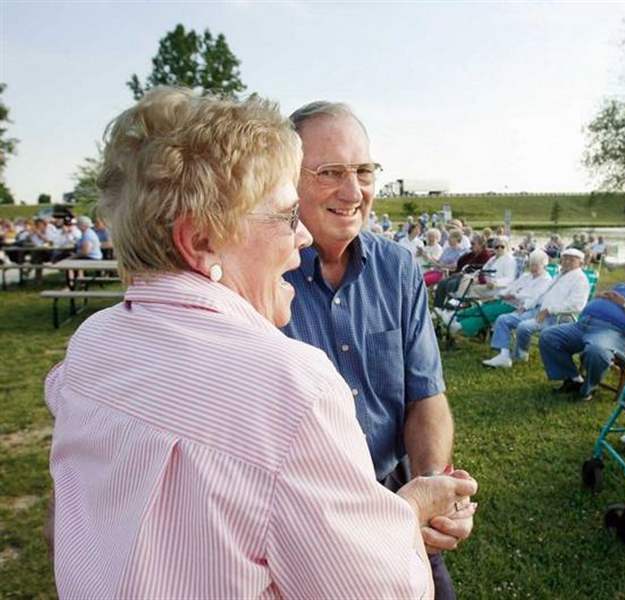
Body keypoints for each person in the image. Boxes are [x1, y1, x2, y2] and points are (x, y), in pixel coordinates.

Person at [44, 88, 476, 598]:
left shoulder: (93, 343)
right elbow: (377, 588)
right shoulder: (291, 383)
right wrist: (411, 510)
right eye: (284, 215)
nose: (301, 238)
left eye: (363, 170)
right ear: (202, 240)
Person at [283, 101, 472, 598]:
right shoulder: (262, 277)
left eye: (364, 170)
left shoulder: (398, 269)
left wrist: (432, 487)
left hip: (397, 490)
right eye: (330, 172)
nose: (353, 192)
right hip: (305, 519)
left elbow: (425, 396)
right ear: (285, 181)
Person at [539, 250, 625, 401]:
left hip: (612, 332)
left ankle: (586, 390)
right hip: (583, 325)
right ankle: (573, 379)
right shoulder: (620, 286)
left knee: (596, 350)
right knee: (548, 336)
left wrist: (624, 303)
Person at [483, 247, 590, 368]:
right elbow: (541, 294)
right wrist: (526, 306)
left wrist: (548, 310)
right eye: (564, 259)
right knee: (503, 319)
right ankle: (504, 356)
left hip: (558, 318)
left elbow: (577, 305)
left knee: (524, 326)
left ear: (581, 263)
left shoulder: (580, 280)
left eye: (571, 260)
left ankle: (521, 354)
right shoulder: (560, 275)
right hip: (538, 310)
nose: (566, 262)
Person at [444, 248, 552, 340]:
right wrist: (503, 294)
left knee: (486, 312)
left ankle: (458, 325)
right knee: (482, 307)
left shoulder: (545, 280)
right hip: (507, 300)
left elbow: (533, 296)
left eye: (536, 265)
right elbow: (512, 286)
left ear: (543, 265)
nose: (533, 268)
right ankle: (455, 318)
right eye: (531, 265)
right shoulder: (526, 276)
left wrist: (514, 295)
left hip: (518, 306)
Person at [433, 233, 493, 309]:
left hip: (470, 277)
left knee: (451, 284)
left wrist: (466, 270)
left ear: (481, 245)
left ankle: (451, 308)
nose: (471, 245)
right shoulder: (471, 254)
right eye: (471, 243)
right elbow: (460, 264)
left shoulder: (485, 255)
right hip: (460, 274)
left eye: (473, 243)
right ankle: (438, 307)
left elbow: (481, 268)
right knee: (442, 282)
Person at [458, 236, 517, 301]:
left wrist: (495, 282)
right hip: (485, 281)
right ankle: (459, 301)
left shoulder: (509, 260)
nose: (499, 249)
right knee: (466, 278)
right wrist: (476, 277)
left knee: (470, 288)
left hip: (497, 287)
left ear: (507, 246)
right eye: (497, 247)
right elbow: (484, 269)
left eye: (502, 246)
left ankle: (461, 302)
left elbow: (510, 278)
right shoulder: (493, 258)